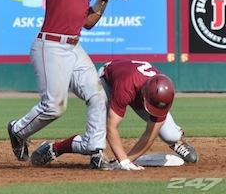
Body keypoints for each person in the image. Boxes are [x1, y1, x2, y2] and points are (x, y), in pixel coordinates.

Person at [7, 0, 120, 169]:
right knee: (54, 107)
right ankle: (18, 130)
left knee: (97, 95)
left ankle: (95, 150)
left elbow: (88, 23)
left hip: (73, 46)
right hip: (52, 46)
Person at [31, 59, 198, 170]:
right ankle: (54, 148)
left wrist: (126, 161)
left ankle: (176, 140)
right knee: (94, 142)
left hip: (139, 87)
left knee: (170, 134)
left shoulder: (163, 92)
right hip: (108, 81)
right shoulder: (126, 87)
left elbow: (150, 134)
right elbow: (111, 127)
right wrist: (124, 161)